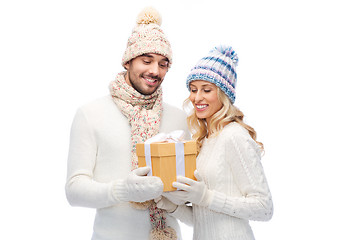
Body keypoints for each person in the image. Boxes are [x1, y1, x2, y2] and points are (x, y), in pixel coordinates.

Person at [65, 7, 189, 240]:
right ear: (128, 62)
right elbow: (74, 191)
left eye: (163, 64)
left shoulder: (179, 119)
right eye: (146, 60)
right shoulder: (91, 114)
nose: (155, 71)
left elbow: (189, 193)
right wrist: (124, 190)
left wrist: (186, 193)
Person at [155, 45, 273, 239]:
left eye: (207, 90)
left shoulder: (234, 136)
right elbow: (204, 218)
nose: (197, 97)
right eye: (193, 90)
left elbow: (264, 208)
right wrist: (173, 206)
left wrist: (206, 197)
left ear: (223, 95)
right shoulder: (204, 140)